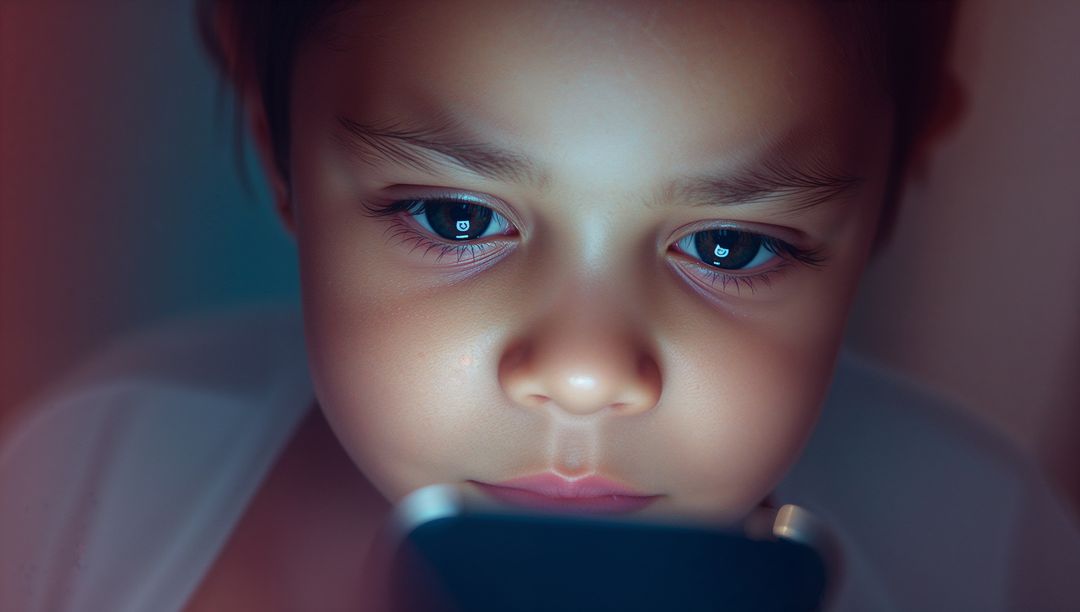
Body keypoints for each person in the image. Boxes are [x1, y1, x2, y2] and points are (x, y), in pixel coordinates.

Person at [2, 1, 1078, 610]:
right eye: (458, 219)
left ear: (889, 186)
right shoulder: (85, 492)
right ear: (275, 140)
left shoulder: (987, 554)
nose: (585, 369)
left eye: (729, 243)